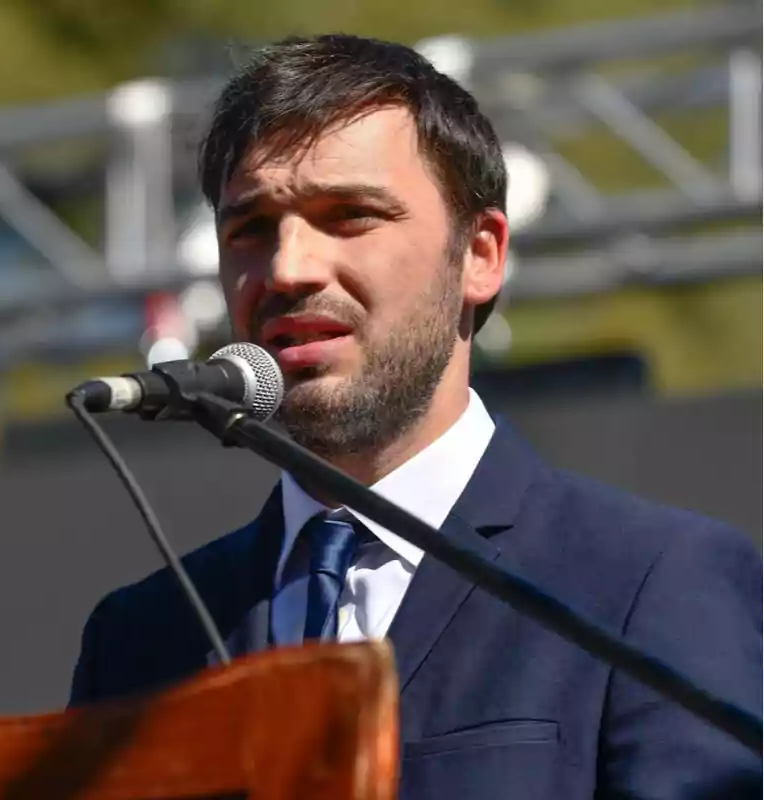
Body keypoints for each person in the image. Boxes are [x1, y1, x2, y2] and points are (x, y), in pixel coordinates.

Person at [68, 34, 762, 799]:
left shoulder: (651, 583)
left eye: (350, 216)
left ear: (481, 255)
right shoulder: (136, 641)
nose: (289, 267)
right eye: (251, 229)